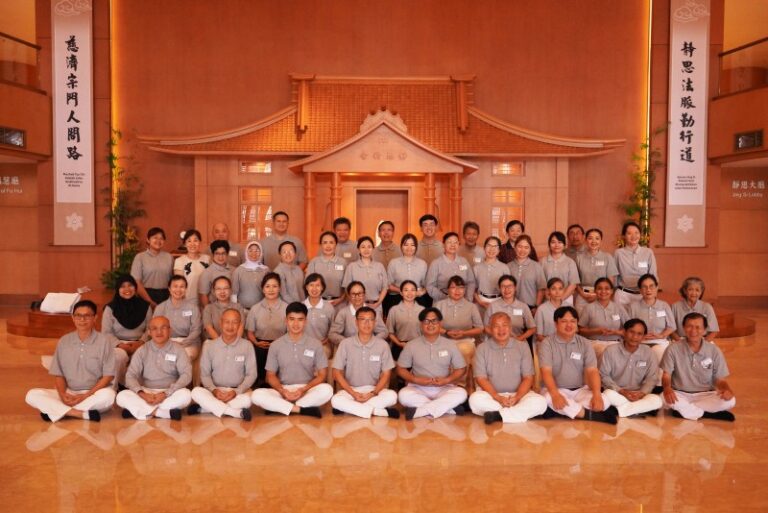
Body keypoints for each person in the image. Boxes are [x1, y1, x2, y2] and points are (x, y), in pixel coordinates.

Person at [26, 300, 116, 422]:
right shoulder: (64, 341)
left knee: (109, 396)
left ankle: (57, 411)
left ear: (95, 318)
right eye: (78, 315)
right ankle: (80, 413)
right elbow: (59, 374)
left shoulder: (104, 342)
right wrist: (62, 395)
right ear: (73, 318)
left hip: (94, 393)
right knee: (32, 395)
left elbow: (108, 376)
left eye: (87, 316)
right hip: (69, 393)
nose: (82, 319)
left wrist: (86, 395)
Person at [251, 302, 334, 417]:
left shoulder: (315, 344)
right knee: (256, 395)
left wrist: (303, 390)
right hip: (283, 390)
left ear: (305, 321)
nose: (296, 324)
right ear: (286, 321)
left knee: (327, 389)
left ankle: (281, 407)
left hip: (307, 389)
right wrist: (282, 391)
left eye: (300, 319)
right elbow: (270, 376)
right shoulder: (275, 345)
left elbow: (322, 375)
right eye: (292, 319)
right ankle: (301, 410)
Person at [538, 306, 617, 423]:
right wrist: (555, 395)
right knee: (547, 399)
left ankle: (569, 411)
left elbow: (592, 371)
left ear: (577, 323)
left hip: (580, 390)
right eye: (564, 321)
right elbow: (546, 372)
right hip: (555, 389)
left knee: (605, 400)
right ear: (556, 324)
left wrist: (597, 395)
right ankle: (589, 415)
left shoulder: (585, 343)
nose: (569, 325)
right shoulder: (547, 344)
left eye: (573, 321)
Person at [469, 312, 547, 424]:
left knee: (541, 402)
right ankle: (516, 414)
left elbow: (528, 378)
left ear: (510, 328)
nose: (501, 330)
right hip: (492, 396)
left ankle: (498, 415)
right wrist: (498, 397)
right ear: (490, 329)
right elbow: (481, 379)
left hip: (518, 395)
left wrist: (517, 397)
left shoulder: (522, 347)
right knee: (475, 400)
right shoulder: (482, 348)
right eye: (496, 326)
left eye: (504, 325)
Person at [661, 313, 735, 421]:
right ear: (684, 328)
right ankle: (706, 413)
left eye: (698, 327)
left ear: (705, 330)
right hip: (680, 394)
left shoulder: (714, 350)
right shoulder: (672, 349)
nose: (693, 330)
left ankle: (686, 411)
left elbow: (720, 379)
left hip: (706, 394)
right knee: (663, 398)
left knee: (731, 401)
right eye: (689, 326)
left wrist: (726, 389)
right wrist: (667, 388)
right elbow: (666, 375)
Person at [116, 316, 192, 420]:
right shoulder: (142, 350)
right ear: (149, 332)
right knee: (121, 396)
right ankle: (160, 412)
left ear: (170, 330)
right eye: (154, 328)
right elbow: (130, 376)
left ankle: (140, 410)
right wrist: (142, 394)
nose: (159, 332)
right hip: (147, 392)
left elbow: (186, 375)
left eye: (163, 327)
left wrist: (166, 393)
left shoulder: (179, 350)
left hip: (170, 392)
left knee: (186, 395)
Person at [397, 308, 468, 420]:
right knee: (403, 395)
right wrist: (415, 379)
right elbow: (400, 368)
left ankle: (420, 411)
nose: (430, 324)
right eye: (426, 321)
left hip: (443, 387)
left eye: (434, 321)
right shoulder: (411, 345)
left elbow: (461, 368)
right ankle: (448, 409)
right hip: (418, 387)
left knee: (461, 393)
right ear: (421, 324)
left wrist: (447, 380)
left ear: (440, 323)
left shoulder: (450, 345)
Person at [330, 307, 399, 418]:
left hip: (374, 390)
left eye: (370, 320)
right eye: (363, 319)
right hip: (351, 390)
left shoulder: (383, 345)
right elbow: (336, 372)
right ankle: (379, 412)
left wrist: (373, 393)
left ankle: (353, 409)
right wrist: (353, 393)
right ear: (356, 322)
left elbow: (386, 374)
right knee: (335, 400)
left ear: (375, 322)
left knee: (392, 396)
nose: (367, 323)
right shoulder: (345, 344)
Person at [189, 308, 257, 420]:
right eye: (227, 322)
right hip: (215, 391)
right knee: (196, 392)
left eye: (234, 322)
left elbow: (251, 374)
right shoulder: (209, 346)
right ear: (221, 323)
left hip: (238, 392)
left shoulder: (247, 346)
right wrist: (214, 390)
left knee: (248, 400)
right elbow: (205, 375)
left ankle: (205, 408)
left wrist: (236, 392)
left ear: (240, 325)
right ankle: (235, 413)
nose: (230, 326)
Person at [600, 319, 663, 418]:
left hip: (639, 394)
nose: (635, 337)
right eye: (631, 332)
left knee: (657, 400)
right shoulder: (610, 351)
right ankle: (637, 409)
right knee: (607, 394)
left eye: (639, 334)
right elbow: (604, 375)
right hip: (617, 393)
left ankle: (624, 409)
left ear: (643, 336)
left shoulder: (649, 353)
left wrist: (642, 393)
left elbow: (652, 377)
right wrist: (621, 391)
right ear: (624, 332)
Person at [102, 274, 152, 387]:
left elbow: (150, 329)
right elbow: (106, 332)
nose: (127, 289)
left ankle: (134, 389)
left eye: (130, 285)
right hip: (118, 345)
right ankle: (114, 388)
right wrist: (120, 345)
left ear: (135, 287)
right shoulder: (110, 308)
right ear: (117, 289)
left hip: (140, 344)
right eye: (122, 286)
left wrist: (141, 342)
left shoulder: (145, 306)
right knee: (118, 356)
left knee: (140, 357)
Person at [434, 275, 484, 379]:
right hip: (443, 340)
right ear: (447, 290)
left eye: (461, 288)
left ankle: (460, 382)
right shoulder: (439, 305)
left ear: (464, 290)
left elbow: (480, 328)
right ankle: (444, 381)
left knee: (464, 349)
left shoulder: (471, 307)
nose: (457, 291)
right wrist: (446, 332)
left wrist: (464, 333)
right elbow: (433, 326)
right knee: (442, 353)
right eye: (453, 287)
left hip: (465, 340)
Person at [245, 273, 289, 388]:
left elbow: (290, 332)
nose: (271, 290)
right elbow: (250, 332)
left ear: (279, 288)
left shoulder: (286, 308)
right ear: (263, 289)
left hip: (281, 345)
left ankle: (279, 385)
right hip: (260, 345)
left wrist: (278, 344)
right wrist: (256, 342)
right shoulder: (255, 309)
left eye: (274, 286)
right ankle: (259, 385)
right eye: (267, 286)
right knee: (257, 353)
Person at [627, 274, 674, 364]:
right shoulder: (633, 307)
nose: (648, 290)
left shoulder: (664, 305)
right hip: (640, 342)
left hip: (660, 342)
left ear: (657, 288)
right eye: (644, 287)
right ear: (640, 290)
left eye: (651, 286)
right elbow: (628, 328)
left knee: (659, 353)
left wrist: (661, 335)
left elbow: (671, 326)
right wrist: (640, 337)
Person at [153, 275, 202, 362]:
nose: (178, 290)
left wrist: (183, 343)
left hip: (189, 343)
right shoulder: (160, 308)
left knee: (181, 358)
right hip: (165, 342)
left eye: (182, 287)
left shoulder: (193, 308)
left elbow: (196, 329)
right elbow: (155, 328)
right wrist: (167, 342)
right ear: (169, 288)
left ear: (186, 289)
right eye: (175, 286)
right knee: (162, 358)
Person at [577, 277, 628, 358]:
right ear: (595, 291)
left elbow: (630, 329)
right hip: (595, 343)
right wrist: (595, 331)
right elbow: (580, 330)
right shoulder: (589, 308)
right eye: (599, 288)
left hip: (616, 343)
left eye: (607, 288)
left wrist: (616, 332)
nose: (603, 291)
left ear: (612, 291)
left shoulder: (619, 308)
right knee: (604, 353)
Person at [329, 281, 388, 346]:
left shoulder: (373, 312)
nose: (357, 297)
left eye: (360, 293)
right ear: (349, 296)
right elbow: (332, 334)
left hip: (371, 347)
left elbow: (384, 331)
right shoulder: (343, 313)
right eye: (353, 294)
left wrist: (372, 341)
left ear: (364, 294)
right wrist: (348, 342)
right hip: (349, 347)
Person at [574, 228, 618, 314]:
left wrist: (598, 294)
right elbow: (575, 280)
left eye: (597, 238)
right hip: (583, 295)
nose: (594, 241)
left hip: (602, 294)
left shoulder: (607, 257)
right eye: (590, 238)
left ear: (601, 241)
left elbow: (610, 281)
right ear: (586, 240)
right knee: (581, 319)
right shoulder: (579, 257)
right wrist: (582, 294)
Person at [615, 221, 658, 306]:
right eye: (629, 233)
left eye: (636, 233)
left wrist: (654, 294)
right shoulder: (618, 253)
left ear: (640, 235)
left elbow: (653, 275)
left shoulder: (648, 252)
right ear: (623, 236)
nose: (633, 236)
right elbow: (614, 276)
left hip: (643, 295)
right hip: (623, 295)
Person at [483, 275, 536, 342]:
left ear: (515, 287)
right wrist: (499, 337)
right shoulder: (492, 306)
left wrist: (520, 338)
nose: (506, 289)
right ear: (499, 288)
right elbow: (486, 327)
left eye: (509, 286)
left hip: (518, 341)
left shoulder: (523, 306)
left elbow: (532, 328)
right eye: (503, 286)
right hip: (497, 341)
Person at [426, 232, 476, 302]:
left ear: (458, 244)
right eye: (449, 242)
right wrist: (446, 298)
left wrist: (468, 298)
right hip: (442, 301)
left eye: (455, 242)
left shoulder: (464, 261)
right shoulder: (436, 263)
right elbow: (430, 286)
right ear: (443, 244)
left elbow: (471, 282)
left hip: (463, 301)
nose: (453, 245)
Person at [131, 227, 174, 307]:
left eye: (161, 238)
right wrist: (149, 301)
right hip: (146, 294)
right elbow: (136, 282)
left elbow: (173, 280)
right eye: (155, 238)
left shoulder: (169, 257)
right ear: (148, 240)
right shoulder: (140, 257)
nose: (158, 241)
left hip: (166, 296)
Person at [342, 236, 388, 309]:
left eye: (369, 247)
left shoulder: (380, 266)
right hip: (357, 306)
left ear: (373, 249)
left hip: (376, 306)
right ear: (358, 250)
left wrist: (378, 303)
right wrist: (357, 304)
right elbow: (347, 288)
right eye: (363, 247)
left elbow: (385, 287)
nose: (366, 250)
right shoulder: (352, 266)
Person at [387, 233, 429, 309]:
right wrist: (403, 291)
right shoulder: (393, 263)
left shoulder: (422, 264)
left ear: (416, 247)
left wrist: (422, 292)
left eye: (412, 245)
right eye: (406, 245)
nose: (409, 248)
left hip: (418, 298)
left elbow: (427, 285)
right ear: (401, 246)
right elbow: (388, 285)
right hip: (397, 298)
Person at [306, 231, 347, 308]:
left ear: (336, 244)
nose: (328, 246)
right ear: (321, 245)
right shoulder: (314, 262)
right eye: (325, 243)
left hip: (340, 303)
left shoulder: (343, 262)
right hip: (318, 303)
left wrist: (341, 299)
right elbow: (308, 284)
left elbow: (347, 285)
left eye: (331, 242)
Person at [386, 280, 425, 362]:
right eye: (406, 290)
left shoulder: (422, 310)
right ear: (401, 293)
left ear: (416, 292)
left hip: (419, 347)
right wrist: (399, 343)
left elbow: (426, 331)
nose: (409, 293)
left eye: (413, 290)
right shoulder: (394, 310)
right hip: (399, 346)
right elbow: (390, 333)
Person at [671, 277, 719, 341]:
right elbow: (671, 329)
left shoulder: (707, 307)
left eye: (697, 290)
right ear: (685, 291)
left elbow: (714, 331)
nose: (694, 293)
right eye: (690, 289)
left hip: (703, 340)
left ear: (701, 292)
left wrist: (703, 344)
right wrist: (680, 342)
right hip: (681, 339)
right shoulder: (675, 306)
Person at [303, 273, 336, 363]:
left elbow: (333, 330)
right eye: (311, 285)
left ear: (322, 288)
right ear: (306, 287)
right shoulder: (301, 306)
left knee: (319, 360)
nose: (314, 288)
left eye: (317, 285)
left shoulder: (329, 308)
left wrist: (325, 341)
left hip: (323, 345)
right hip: (303, 345)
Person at [508, 234, 546, 311]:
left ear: (530, 250)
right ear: (515, 247)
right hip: (512, 307)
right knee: (515, 319)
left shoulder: (536, 266)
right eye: (520, 246)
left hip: (531, 308)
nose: (522, 250)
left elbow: (541, 289)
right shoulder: (508, 266)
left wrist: (536, 307)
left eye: (526, 247)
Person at [173, 228, 210, 305]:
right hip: (188, 302)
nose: (192, 244)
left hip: (207, 301)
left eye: (195, 240)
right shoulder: (180, 261)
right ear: (184, 244)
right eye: (189, 241)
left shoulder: (207, 259)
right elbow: (179, 285)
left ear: (200, 242)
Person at [541, 231, 579, 305]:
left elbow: (573, 284)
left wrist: (561, 299)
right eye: (553, 242)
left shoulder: (570, 262)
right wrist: (549, 297)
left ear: (564, 245)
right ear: (549, 245)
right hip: (547, 299)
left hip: (566, 298)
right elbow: (541, 283)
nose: (556, 245)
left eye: (560, 242)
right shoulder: (543, 261)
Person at [231, 241, 269, 310]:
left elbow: (269, 291)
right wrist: (235, 309)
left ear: (261, 253)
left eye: (257, 251)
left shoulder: (266, 270)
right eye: (250, 251)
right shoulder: (239, 270)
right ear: (246, 252)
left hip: (261, 309)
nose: (253, 253)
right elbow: (234, 293)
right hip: (242, 309)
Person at [198, 240, 234, 306]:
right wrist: (209, 311)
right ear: (212, 254)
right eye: (217, 253)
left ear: (227, 254)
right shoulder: (207, 273)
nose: (220, 257)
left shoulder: (234, 270)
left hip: (232, 308)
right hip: (215, 309)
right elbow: (203, 296)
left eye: (223, 253)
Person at [473, 236, 507, 307]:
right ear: (484, 248)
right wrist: (480, 302)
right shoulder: (476, 268)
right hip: (480, 301)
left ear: (499, 250)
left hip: (499, 301)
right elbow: (473, 289)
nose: (492, 249)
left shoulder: (504, 267)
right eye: (489, 246)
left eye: (495, 246)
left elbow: (508, 288)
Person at [534, 278, 566, 342]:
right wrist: (554, 343)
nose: (557, 292)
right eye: (553, 289)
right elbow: (539, 335)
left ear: (563, 290)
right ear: (548, 291)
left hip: (565, 342)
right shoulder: (541, 309)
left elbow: (574, 331)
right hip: (546, 343)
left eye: (560, 289)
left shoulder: (570, 307)